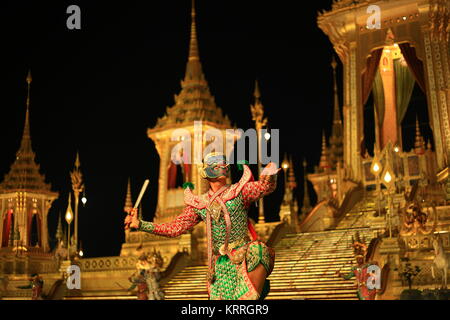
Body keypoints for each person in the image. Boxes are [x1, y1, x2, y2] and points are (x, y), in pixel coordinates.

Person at [125, 152, 279, 300]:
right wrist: (140, 224)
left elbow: (264, 187)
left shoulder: (240, 191)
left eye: (224, 162)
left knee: (259, 250)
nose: (223, 165)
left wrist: (269, 174)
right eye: (217, 163)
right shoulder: (199, 204)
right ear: (205, 171)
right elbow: (174, 228)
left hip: (243, 255)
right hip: (220, 264)